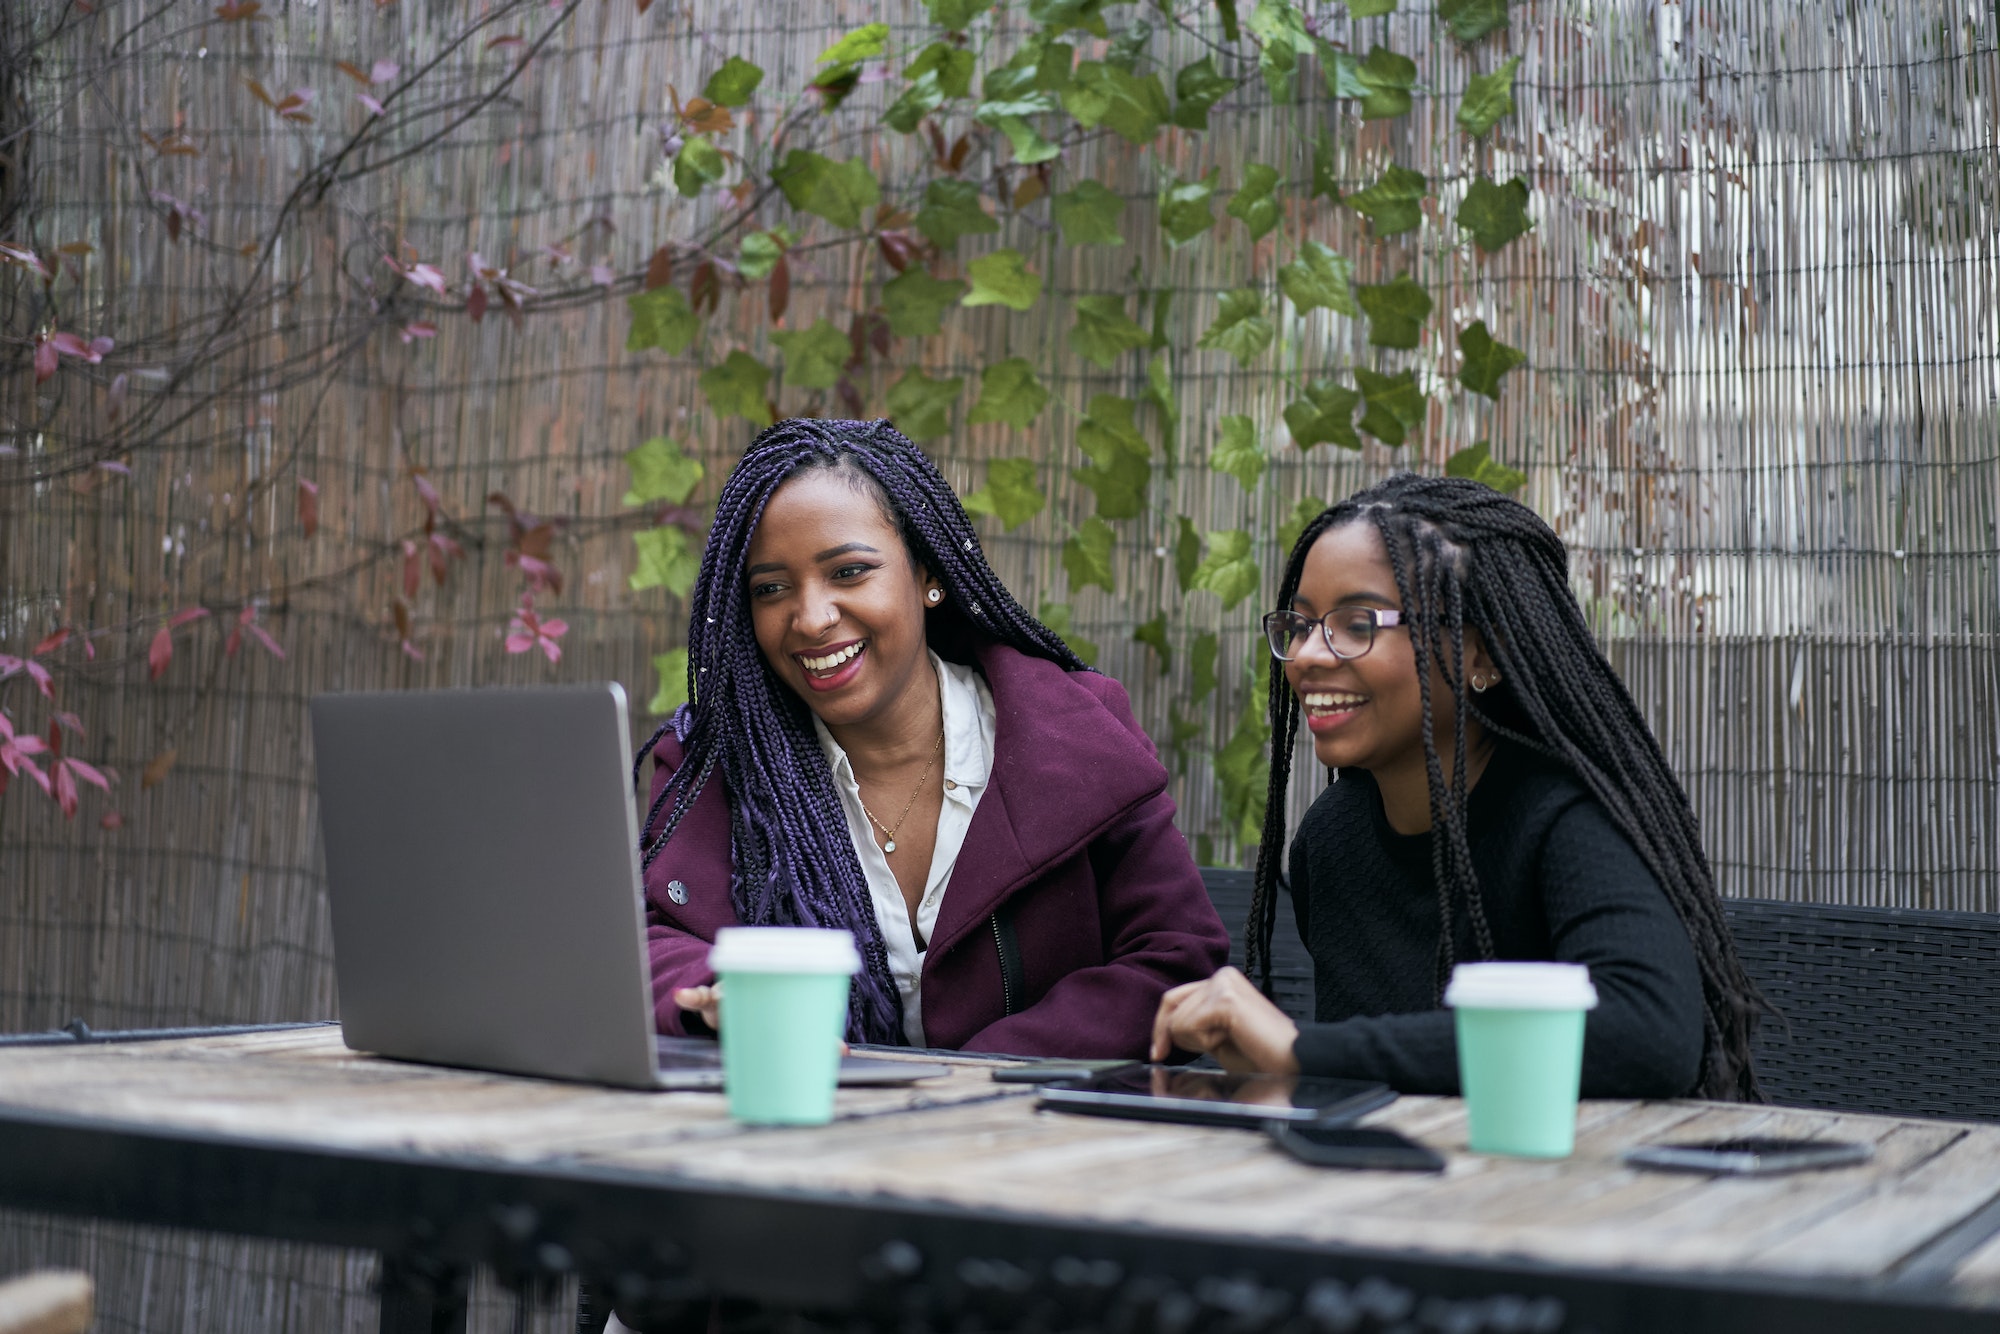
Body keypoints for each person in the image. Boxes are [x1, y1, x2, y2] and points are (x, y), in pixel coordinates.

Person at [1150, 473, 1762, 1100]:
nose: (1306, 655)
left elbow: (1649, 1035)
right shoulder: (1331, 840)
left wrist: (1304, 1052)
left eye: (1357, 623)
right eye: (1300, 625)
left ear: (1480, 655)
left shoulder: (1570, 816)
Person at [637, 416, 1228, 1056]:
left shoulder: (1081, 732)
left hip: (1040, 1139)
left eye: (849, 572)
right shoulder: (719, 762)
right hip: (807, 1135)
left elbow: (1176, 958)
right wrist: (720, 996)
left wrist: (971, 1076)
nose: (809, 618)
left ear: (928, 575)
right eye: (771, 588)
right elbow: (653, 940)